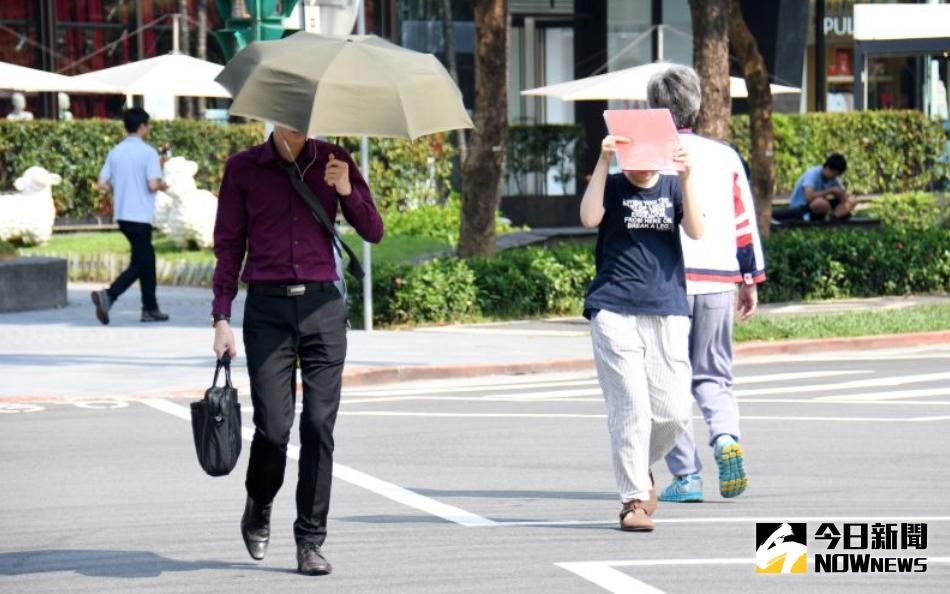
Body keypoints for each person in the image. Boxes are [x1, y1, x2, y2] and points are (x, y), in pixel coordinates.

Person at [211, 125, 383, 575]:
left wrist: (346, 188)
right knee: (273, 427)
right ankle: (260, 502)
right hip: (267, 312)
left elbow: (373, 230)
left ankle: (310, 539)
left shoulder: (334, 160)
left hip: (324, 308)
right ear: (272, 113)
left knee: (319, 424)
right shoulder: (243, 168)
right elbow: (229, 245)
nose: (298, 121)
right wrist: (221, 316)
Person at [645, 65, 767, 504]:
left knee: (669, 382)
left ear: (653, 108)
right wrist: (749, 279)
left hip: (667, 282)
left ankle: (687, 476)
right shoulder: (725, 155)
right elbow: (743, 221)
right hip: (720, 278)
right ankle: (726, 438)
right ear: (696, 104)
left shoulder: (647, 154)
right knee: (714, 375)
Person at [580, 128, 704, 532]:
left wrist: (686, 175)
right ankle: (633, 500)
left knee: (674, 412)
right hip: (613, 309)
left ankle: (637, 467)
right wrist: (602, 161)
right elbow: (588, 218)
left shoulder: (671, 185)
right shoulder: (614, 186)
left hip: (666, 309)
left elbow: (699, 230)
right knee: (631, 408)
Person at [91, 107, 169, 325]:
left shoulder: (116, 151)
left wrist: (120, 187)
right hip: (141, 215)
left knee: (146, 259)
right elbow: (153, 184)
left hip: (123, 215)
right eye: (148, 125)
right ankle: (109, 295)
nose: (149, 128)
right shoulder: (148, 152)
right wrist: (164, 184)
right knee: (141, 263)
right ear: (142, 126)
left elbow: (102, 183)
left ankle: (150, 308)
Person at [774, 154, 853, 222]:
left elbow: (845, 197)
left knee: (851, 201)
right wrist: (830, 191)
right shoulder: (812, 174)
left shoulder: (834, 179)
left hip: (820, 208)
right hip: (802, 207)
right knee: (821, 203)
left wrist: (842, 196)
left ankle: (833, 217)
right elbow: (809, 196)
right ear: (828, 168)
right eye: (834, 174)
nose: (835, 177)